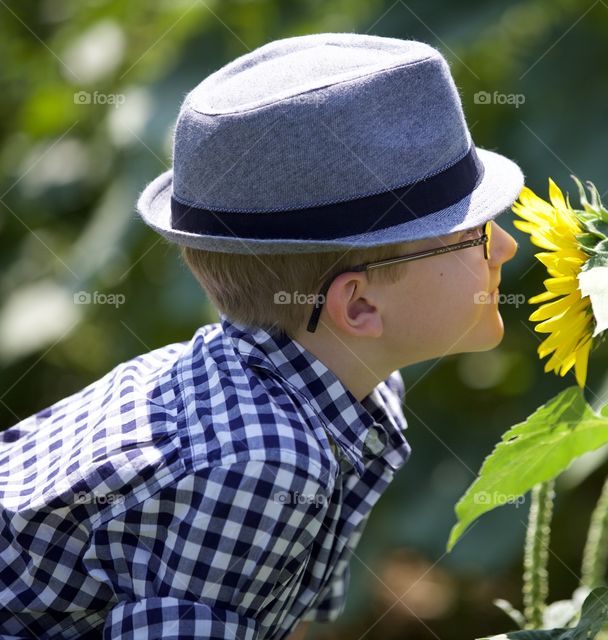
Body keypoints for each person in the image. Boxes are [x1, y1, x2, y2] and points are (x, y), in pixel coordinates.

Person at [0, 32, 522, 639]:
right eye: (476, 235)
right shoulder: (264, 462)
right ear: (358, 306)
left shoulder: (347, 395)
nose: (506, 245)